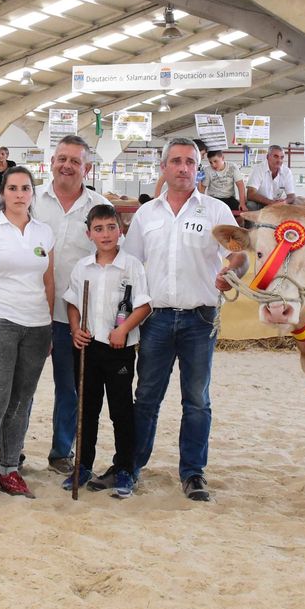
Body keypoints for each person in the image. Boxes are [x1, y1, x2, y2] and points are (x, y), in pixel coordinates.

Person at [123, 138, 244, 503]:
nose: (183, 168)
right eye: (175, 161)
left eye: (190, 162)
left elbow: (240, 255)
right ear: (163, 168)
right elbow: (128, 266)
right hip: (156, 319)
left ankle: (193, 473)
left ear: (198, 167)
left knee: (196, 400)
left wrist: (230, 271)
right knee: (146, 397)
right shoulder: (147, 215)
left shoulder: (217, 211)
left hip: (200, 319)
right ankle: (132, 466)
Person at [0, 165, 54, 502]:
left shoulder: (44, 233)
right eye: (13, 188)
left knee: (20, 402)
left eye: (25, 188)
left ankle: (10, 469)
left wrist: (49, 330)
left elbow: (49, 282)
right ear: (3, 193)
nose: (19, 194)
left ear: (33, 193)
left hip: (36, 327)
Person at [32, 135, 109, 474]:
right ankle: (9, 452)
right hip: (28, 311)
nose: (67, 165)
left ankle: (61, 452)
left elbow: (107, 258)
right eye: (61, 158)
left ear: (87, 168)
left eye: (75, 161)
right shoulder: (29, 198)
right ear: (51, 162)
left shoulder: (98, 207)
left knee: (70, 389)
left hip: (73, 317)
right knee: (20, 386)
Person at [65, 205, 151, 499]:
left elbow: (144, 305)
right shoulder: (82, 267)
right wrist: (75, 328)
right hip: (88, 349)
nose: (106, 234)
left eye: (111, 227)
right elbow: (73, 302)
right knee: (87, 410)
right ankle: (83, 465)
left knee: (121, 411)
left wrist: (124, 329)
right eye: (98, 229)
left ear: (120, 229)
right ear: (89, 234)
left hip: (119, 349)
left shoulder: (132, 266)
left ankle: (124, 468)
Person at [244, 144, 297, 209]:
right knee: (250, 205)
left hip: (278, 204)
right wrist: (271, 202)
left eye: (282, 157)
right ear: (267, 157)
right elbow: (250, 194)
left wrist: (284, 202)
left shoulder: (287, 172)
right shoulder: (258, 169)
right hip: (260, 203)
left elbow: (291, 196)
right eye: (276, 156)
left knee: (294, 205)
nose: (279, 160)